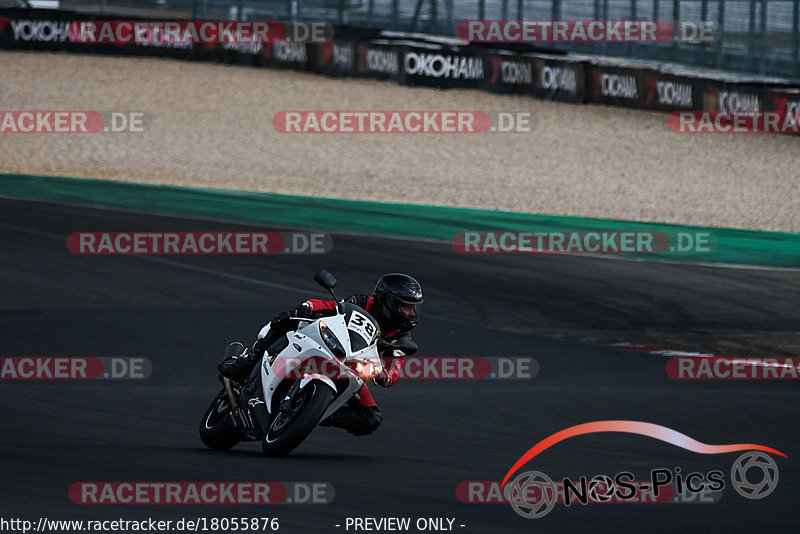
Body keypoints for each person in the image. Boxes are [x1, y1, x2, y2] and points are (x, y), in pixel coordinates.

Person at [218, 273, 423, 436]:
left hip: (352, 369)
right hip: (331, 345)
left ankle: (313, 414)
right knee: (286, 319)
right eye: (406, 307)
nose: (412, 313)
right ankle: (248, 361)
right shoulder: (362, 302)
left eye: (413, 308)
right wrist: (309, 307)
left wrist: (385, 375)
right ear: (389, 302)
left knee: (372, 419)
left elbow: (394, 370)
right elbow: (332, 307)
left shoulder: (402, 337)